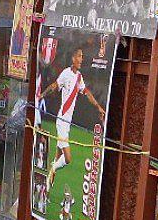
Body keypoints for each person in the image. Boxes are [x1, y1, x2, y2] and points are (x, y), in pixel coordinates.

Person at [37, 46, 107, 195]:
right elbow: (55, 85)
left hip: (67, 123)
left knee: (57, 157)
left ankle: (47, 189)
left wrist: (99, 107)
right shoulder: (66, 74)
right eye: (79, 56)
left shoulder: (79, 77)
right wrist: (42, 95)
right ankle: (53, 169)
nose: (81, 59)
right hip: (62, 121)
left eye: (82, 56)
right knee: (67, 159)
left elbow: (86, 93)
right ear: (73, 58)